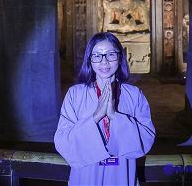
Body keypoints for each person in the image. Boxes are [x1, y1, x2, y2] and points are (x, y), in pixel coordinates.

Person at [54, 32, 156, 185]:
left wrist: (115, 116)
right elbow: (62, 141)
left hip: (121, 172)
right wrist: (95, 116)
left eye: (110, 55)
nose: (104, 62)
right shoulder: (75, 94)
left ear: (120, 57)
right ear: (90, 60)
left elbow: (146, 139)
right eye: (97, 55)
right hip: (87, 173)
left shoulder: (134, 95)